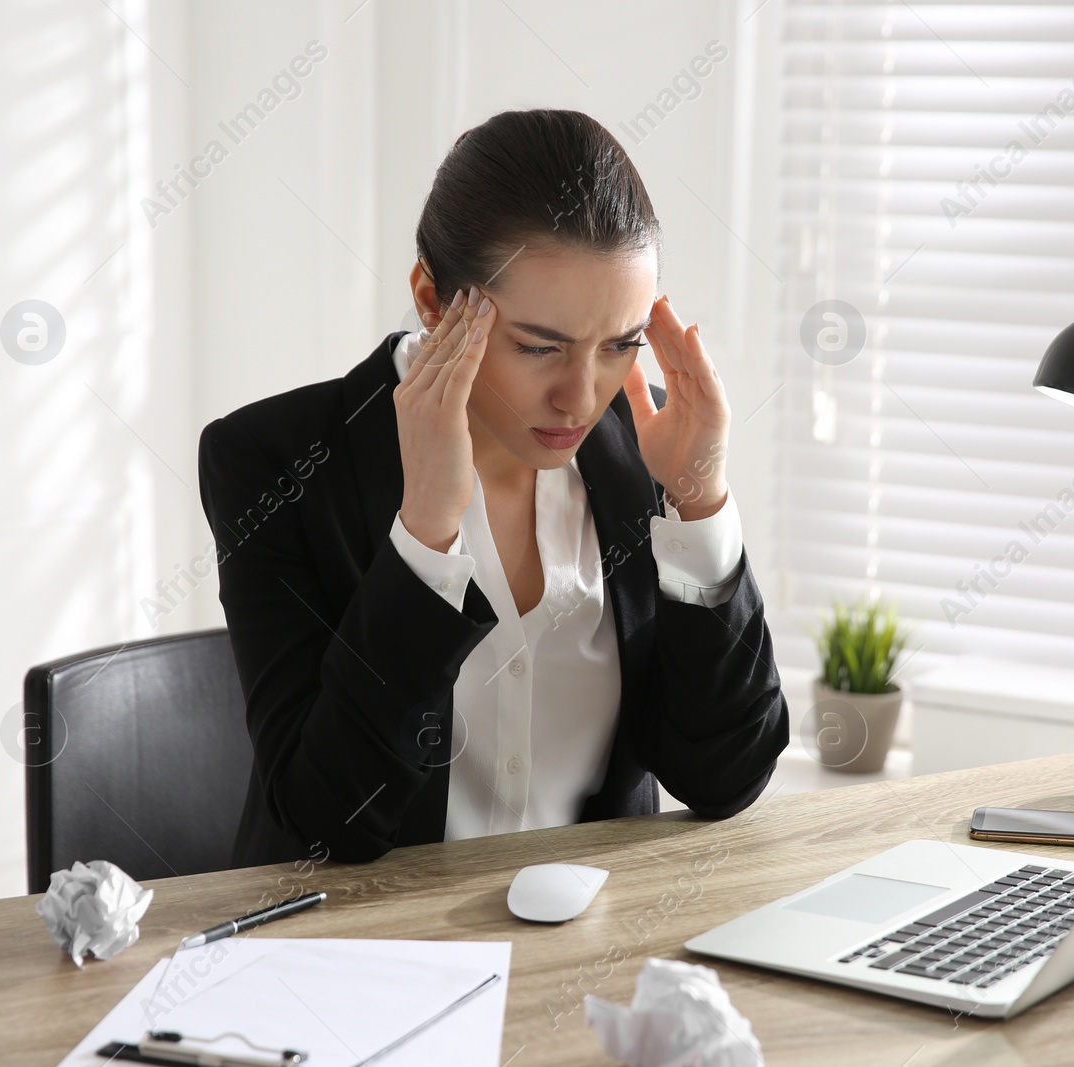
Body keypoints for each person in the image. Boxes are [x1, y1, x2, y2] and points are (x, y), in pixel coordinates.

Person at [198, 108, 788, 868]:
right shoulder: (273, 462)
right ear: (432, 299)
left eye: (620, 345)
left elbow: (727, 777)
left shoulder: (646, 457)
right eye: (539, 347)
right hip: (355, 958)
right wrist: (426, 535)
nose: (581, 397)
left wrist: (699, 501)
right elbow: (327, 820)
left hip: (589, 952)